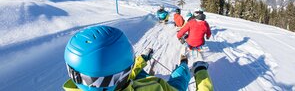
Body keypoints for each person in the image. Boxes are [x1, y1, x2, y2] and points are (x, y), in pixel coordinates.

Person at [63, 25, 213, 91]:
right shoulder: (152, 88)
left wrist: (143, 59)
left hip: (125, 80)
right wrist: (201, 72)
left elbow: (117, 77)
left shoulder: (112, 80)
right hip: (143, 83)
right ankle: (184, 66)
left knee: (136, 73)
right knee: (178, 82)